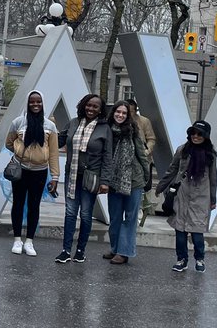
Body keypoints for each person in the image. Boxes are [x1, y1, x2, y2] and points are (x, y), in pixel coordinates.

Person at [3, 90, 60, 257]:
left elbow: (54, 153)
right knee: (18, 204)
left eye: (39, 102)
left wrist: (55, 176)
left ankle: (29, 241)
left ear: (43, 104)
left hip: (40, 173)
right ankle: (17, 239)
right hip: (20, 171)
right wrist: (20, 151)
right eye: (32, 102)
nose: (35, 105)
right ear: (28, 103)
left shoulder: (50, 126)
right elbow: (8, 143)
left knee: (34, 206)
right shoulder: (18, 122)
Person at [157, 120, 217, 273]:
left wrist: (213, 199)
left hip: (201, 197)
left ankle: (199, 258)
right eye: (193, 133)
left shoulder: (210, 154)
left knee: (197, 232)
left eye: (199, 134)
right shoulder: (182, 150)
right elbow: (172, 170)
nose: (195, 136)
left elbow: (213, 177)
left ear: (206, 136)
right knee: (180, 230)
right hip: (182, 194)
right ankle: (181, 259)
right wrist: (161, 186)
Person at [55, 93, 108, 264]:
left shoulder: (104, 128)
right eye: (88, 105)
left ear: (100, 110)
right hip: (72, 175)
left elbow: (108, 156)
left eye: (95, 107)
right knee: (70, 213)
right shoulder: (73, 122)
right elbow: (58, 141)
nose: (91, 109)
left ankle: (80, 250)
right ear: (83, 105)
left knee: (85, 214)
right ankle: (65, 250)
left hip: (91, 177)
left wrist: (105, 181)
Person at [99, 101, 151, 265]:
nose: (120, 115)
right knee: (114, 217)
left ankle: (124, 252)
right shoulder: (106, 131)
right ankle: (115, 248)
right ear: (113, 113)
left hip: (133, 180)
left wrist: (146, 176)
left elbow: (142, 154)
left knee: (130, 218)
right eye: (118, 112)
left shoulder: (133, 131)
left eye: (124, 113)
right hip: (113, 181)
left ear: (128, 116)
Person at [126, 99, 161, 218]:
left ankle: (140, 207)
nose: (130, 114)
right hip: (126, 158)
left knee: (143, 184)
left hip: (142, 158)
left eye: (132, 111)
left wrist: (147, 151)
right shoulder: (120, 120)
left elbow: (151, 138)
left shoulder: (144, 121)